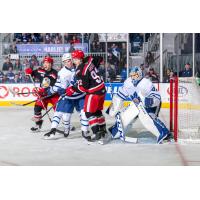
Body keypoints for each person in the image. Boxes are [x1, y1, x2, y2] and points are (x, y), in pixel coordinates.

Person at [108, 66, 170, 144]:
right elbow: (120, 96)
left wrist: (146, 102)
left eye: (135, 75)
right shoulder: (128, 83)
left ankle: (164, 132)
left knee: (148, 118)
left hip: (152, 105)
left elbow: (157, 98)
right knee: (127, 114)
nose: (133, 77)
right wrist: (113, 107)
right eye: (132, 75)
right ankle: (115, 131)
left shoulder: (146, 83)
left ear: (140, 75)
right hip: (138, 104)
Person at [43, 53, 89, 140]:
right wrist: (52, 90)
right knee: (65, 116)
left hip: (80, 95)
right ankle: (63, 129)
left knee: (84, 114)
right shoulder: (62, 73)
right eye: (66, 61)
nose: (68, 63)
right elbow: (59, 84)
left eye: (70, 60)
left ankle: (85, 131)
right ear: (63, 63)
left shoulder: (79, 67)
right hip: (69, 97)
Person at [66, 50, 107, 141]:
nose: (73, 61)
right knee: (97, 111)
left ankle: (97, 133)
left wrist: (73, 89)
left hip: (94, 92)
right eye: (73, 59)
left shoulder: (80, 70)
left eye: (76, 59)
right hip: (102, 89)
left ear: (80, 59)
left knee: (88, 113)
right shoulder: (90, 61)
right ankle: (103, 130)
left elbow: (84, 87)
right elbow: (99, 58)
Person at [25, 56, 59, 132]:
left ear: (51, 64)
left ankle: (66, 124)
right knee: (37, 107)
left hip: (53, 94)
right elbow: (31, 74)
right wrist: (28, 72)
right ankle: (38, 125)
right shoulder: (40, 70)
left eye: (47, 63)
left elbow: (51, 85)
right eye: (44, 62)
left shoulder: (54, 74)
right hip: (44, 95)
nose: (45, 64)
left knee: (59, 110)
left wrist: (42, 90)